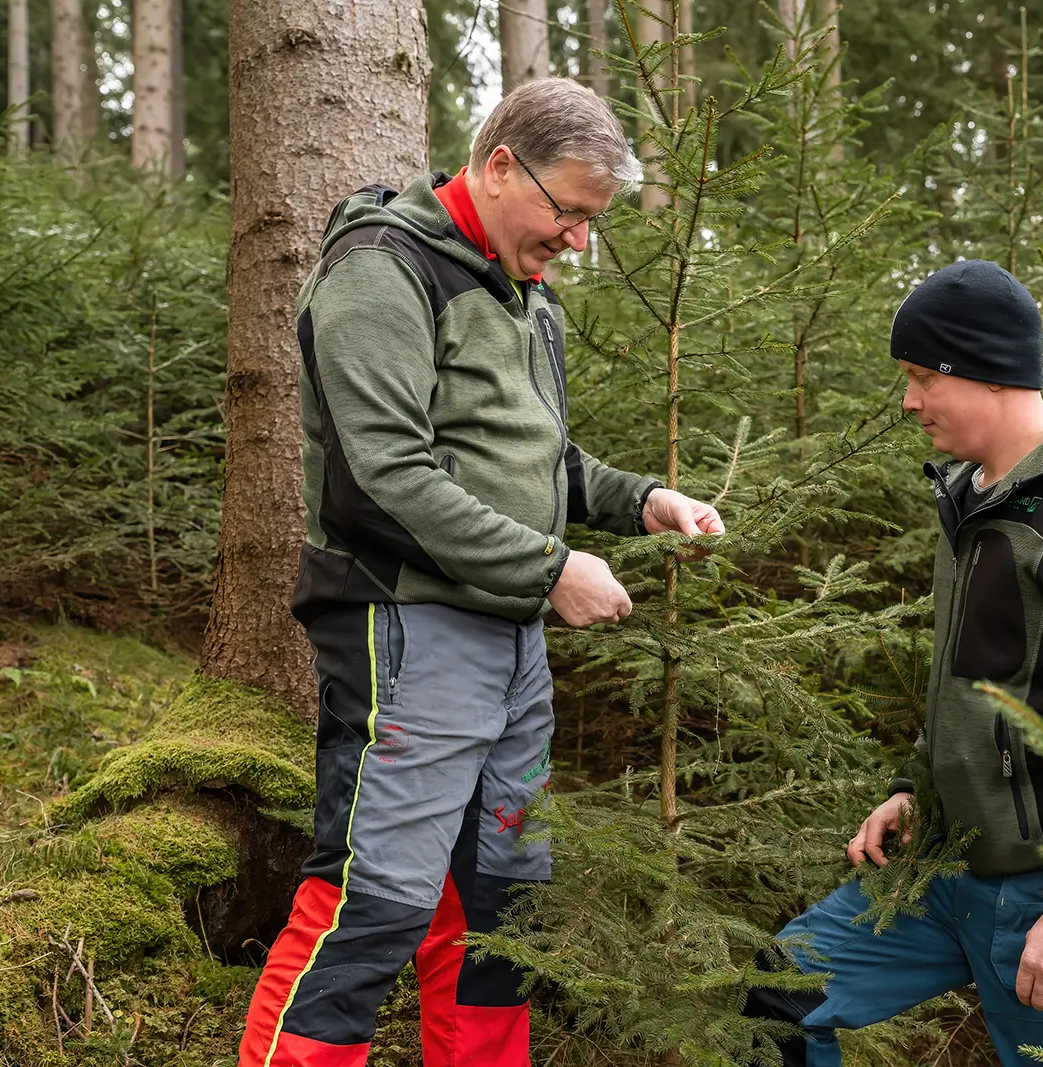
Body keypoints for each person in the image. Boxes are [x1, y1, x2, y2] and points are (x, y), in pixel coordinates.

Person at [238, 77, 724, 1067]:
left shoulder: (522, 295)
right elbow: (382, 479)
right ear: (501, 166)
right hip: (405, 628)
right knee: (376, 896)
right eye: (569, 211)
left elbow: (540, 461)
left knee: (500, 908)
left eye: (592, 220)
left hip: (508, 642)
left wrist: (642, 500)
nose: (577, 239)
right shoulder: (382, 270)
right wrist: (551, 569)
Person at [742, 260, 1043, 1066]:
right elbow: (970, 681)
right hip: (946, 872)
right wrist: (914, 787)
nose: (909, 401)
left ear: (987, 371)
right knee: (779, 989)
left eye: (924, 378)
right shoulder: (972, 495)